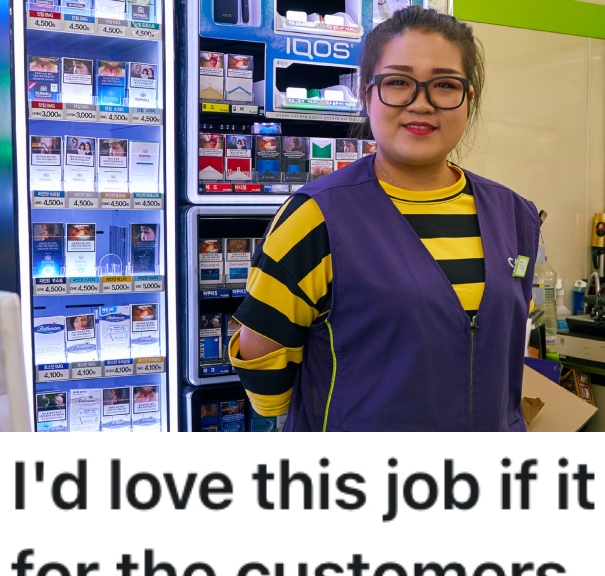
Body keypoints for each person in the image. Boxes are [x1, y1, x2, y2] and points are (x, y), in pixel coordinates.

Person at [230, 7, 538, 432]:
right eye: (398, 82)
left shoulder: (515, 215)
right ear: (368, 95)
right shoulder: (316, 216)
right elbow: (263, 360)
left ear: (469, 98)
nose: (422, 103)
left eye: (445, 85)